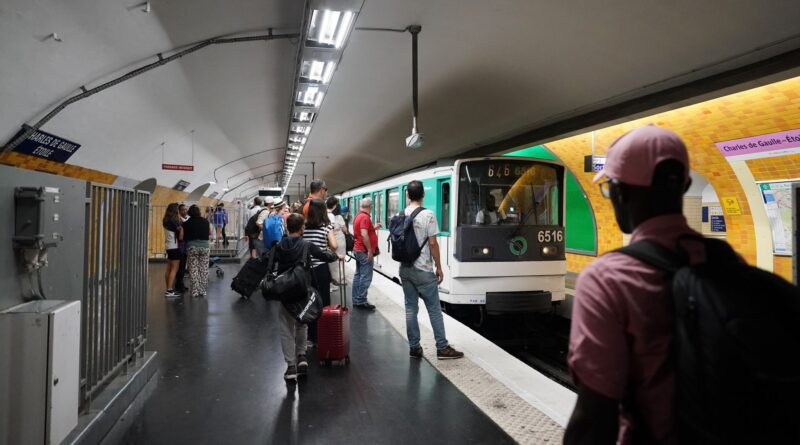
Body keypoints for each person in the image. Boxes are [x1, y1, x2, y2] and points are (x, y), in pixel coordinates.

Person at [565, 125, 700, 445]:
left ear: (620, 193)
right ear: (685, 186)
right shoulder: (730, 265)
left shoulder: (608, 280)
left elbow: (595, 416)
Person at [400, 180, 464, 360]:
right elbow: (433, 243)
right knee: (434, 310)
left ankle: (414, 347)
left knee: (410, 309)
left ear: (407, 195)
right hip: (423, 269)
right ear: (423, 195)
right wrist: (439, 267)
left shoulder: (401, 214)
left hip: (405, 269)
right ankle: (442, 347)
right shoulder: (428, 215)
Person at [274, 213, 339, 381]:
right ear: (302, 228)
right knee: (302, 323)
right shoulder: (306, 244)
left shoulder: (280, 245)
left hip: (285, 291)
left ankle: (290, 367)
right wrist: (335, 256)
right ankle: (302, 357)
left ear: (287, 228)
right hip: (302, 289)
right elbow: (324, 256)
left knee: (286, 327)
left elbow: (271, 263)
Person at [303, 199, 338, 345]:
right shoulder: (327, 227)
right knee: (323, 301)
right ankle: (324, 333)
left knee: (310, 302)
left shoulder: (304, 227)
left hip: (306, 270)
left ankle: (312, 337)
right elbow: (334, 246)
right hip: (321, 270)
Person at [351, 197, 378, 310]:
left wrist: (374, 228)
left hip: (358, 249)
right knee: (365, 277)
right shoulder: (365, 217)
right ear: (370, 206)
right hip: (363, 251)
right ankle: (361, 301)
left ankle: (356, 299)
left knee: (358, 275)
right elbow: (364, 234)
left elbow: (364, 231)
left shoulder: (358, 216)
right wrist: (370, 250)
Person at [182, 205, 211, 297]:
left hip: (192, 247)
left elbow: (182, 236)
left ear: (189, 213)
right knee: (204, 269)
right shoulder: (205, 221)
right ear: (199, 212)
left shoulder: (186, 223)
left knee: (193, 268)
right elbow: (209, 233)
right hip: (205, 247)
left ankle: (195, 291)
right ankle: (202, 290)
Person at [162, 203, 183, 298]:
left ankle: (168, 289)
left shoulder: (165, 219)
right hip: (174, 246)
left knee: (169, 268)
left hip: (168, 245)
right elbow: (180, 230)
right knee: (174, 269)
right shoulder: (174, 220)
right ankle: (169, 290)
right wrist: (182, 228)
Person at [327, 197, 347, 286]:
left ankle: (333, 278)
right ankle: (340, 279)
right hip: (339, 240)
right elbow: (345, 230)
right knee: (340, 259)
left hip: (328, 240)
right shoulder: (338, 217)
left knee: (331, 259)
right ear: (335, 206)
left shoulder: (323, 214)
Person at [174, 203, 190, 293]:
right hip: (181, 246)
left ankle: (181, 284)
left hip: (184, 245)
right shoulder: (179, 221)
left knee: (183, 266)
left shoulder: (185, 219)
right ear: (179, 211)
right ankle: (179, 285)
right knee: (181, 265)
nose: (185, 211)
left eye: (186, 209)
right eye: (183, 209)